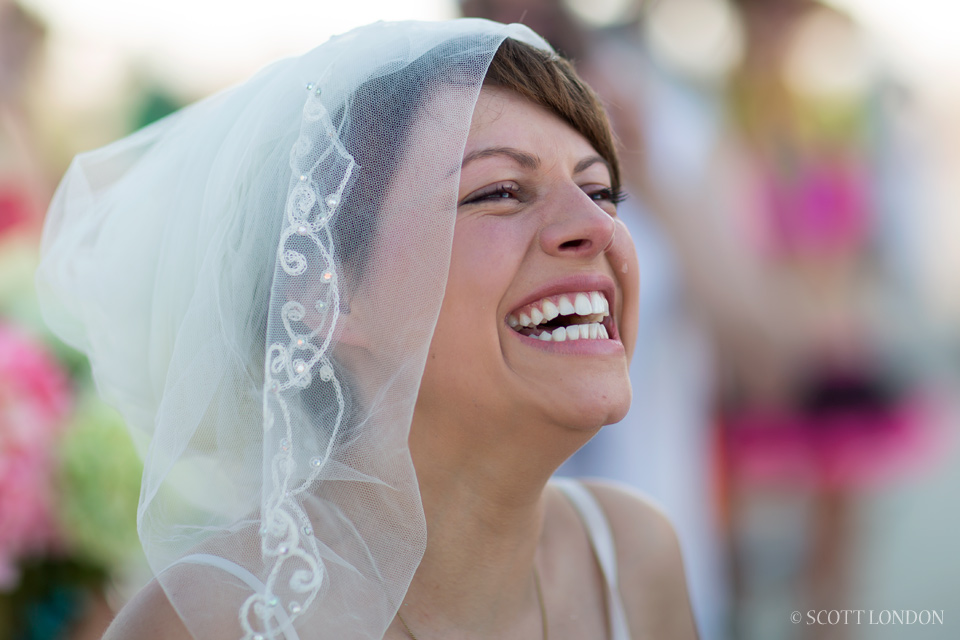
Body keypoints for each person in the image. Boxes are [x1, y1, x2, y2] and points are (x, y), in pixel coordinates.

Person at [36, 19, 698, 640]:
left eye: (602, 191)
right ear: (327, 290)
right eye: (499, 191)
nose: (598, 227)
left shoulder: (634, 557)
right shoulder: (210, 621)